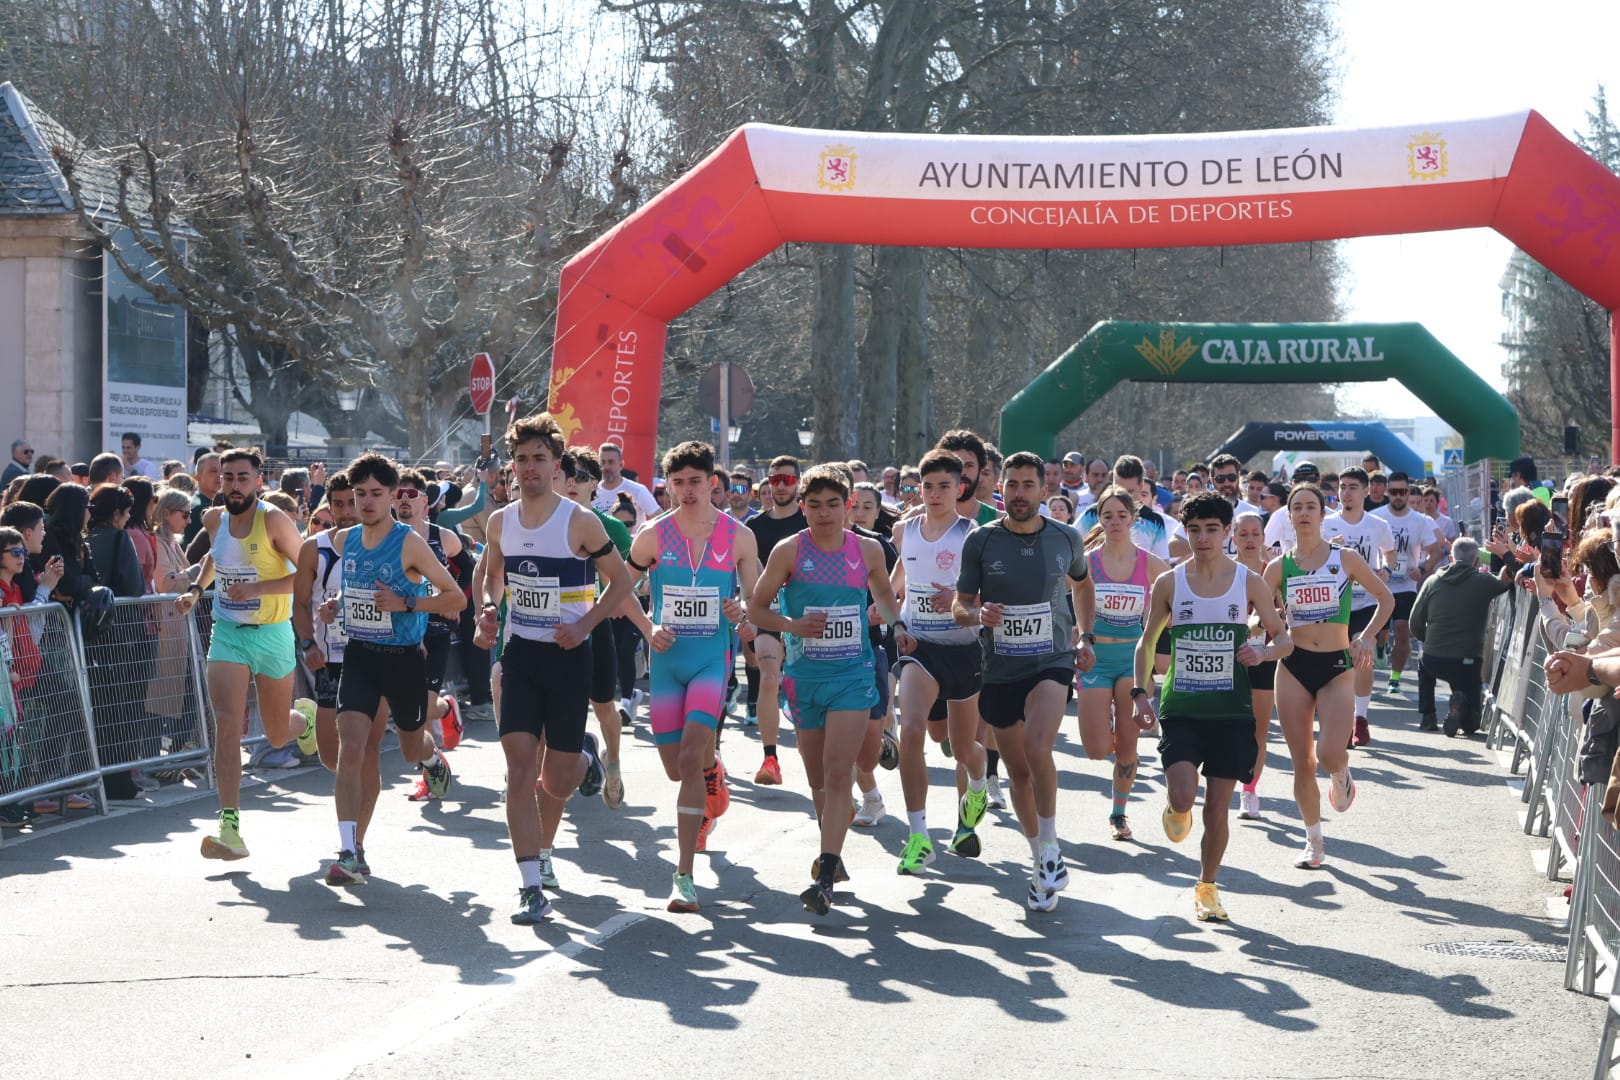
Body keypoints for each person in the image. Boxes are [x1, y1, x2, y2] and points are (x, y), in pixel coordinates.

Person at [473, 413, 633, 924]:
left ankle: (585, 757)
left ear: (556, 465)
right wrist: (489, 608)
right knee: (520, 773)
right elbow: (492, 576)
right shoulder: (501, 522)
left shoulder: (579, 522)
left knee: (556, 782)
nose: (529, 467)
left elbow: (622, 582)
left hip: (568, 658)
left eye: (539, 458)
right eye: (521, 459)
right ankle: (530, 885)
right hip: (521, 656)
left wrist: (584, 625)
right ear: (511, 466)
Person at [749, 464, 908, 916]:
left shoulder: (868, 549)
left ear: (848, 506)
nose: (824, 513)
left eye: (833, 504)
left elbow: (884, 594)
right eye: (815, 505)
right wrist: (792, 626)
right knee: (819, 779)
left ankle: (824, 875)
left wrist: (897, 625)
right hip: (805, 679)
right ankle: (831, 852)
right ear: (802, 507)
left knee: (840, 773)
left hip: (853, 674)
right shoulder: (788, 551)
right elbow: (757, 609)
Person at [1133, 492, 1292, 921]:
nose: (1202, 538)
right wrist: (1140, 694)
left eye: (1211, 530)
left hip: (1231, 711)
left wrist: (1263, 652)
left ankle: (1207, 886)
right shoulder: (1170, 582)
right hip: (1183, 707)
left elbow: (1284, 638)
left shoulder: (1248, 581)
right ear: (1186, 532)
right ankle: (1176, 805)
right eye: (1194, 530)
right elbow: (1146, 642)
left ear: (1226, 534)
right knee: (1184, 796)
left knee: (1217, 807)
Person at [954, 451, 1096, 912]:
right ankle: (1040, 863)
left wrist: (1085, 635)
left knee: (1038, 749)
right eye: (1011, 485)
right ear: (1002, 489)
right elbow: (960, 604)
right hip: (1000, 668)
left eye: (1028, 485)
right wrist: (977, 614)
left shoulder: (1065, 537)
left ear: (1043, 489)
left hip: (1051, 660)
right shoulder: (981, 541)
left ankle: (1051, 846)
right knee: (1017, 771)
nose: (1019, 494)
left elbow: (1083, 584)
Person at [318, 454, 467, 886]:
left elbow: (455, 597)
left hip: (403, 659)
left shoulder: (409, 543)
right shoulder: (345, 540)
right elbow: (357, 591)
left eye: (375, 494)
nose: (366, 502)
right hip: (360, 655)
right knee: (351, 749)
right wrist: (337, 606)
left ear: (390, 496)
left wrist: (407, 603)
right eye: (359, 494)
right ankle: (349, 851)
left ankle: (431, 758)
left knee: (409, 749)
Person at [624, 440, 761, 912]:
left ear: (712, 483)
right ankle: (713, 771)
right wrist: (648, 627)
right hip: (666, 660)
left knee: (686, 758)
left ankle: (683, 875)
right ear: (667, 485)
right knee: (675, 767)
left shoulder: (739, 536)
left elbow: (756, 600)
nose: (687, 490)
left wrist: (743, 614)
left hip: (710, 661)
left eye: (695, 482)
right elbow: (619, 589)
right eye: (678, 482)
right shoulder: (652, 535)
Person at [175, 449, 318, 860]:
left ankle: (303, 718)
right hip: (228, 634)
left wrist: (258, 589)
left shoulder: (273, 520)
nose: (234, 485)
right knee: (227, 725)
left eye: (242, 478)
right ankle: (229, 827)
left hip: (272, 635)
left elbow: (306, 573)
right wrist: (196, 590)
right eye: (227, 477)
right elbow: (214, 558)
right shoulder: (214, 519)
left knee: (276, 734)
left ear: (258, 481)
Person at [1264, 482, 1391, 870]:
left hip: (1336, 666)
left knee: (1329, 754)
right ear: (1289, 516)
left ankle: (1341, 773)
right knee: (1302, 762)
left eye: (1311, 507)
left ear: (1323, 514)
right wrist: (1262, 630)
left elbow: (1386, 599)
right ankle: (1314, 841)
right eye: (1297, 507)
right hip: (1293, 666)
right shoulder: (1277, 567)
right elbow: (1257, 613)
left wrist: (1365, 637)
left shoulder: (1345, 558)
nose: (1304, 513)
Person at [889, 450, 987, 874]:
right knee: (912, 731)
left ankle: (979, 785)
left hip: (963, 649)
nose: (933, 494)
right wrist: (890, 615)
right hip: (920, 646)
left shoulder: (973, 534)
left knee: (963, 749)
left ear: (959, 488)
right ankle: (919, 836)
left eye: (943, 486)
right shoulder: (906, 531)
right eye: (927, 486)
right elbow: (896, 582)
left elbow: (991, 596)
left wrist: (961, 601)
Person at [1078, 485, 1169, 840]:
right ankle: (1115, 737)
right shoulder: (1087, 563)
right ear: (1099, 519)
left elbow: (1178, 599)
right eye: (1108, 515)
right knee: (1097, 748)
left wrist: (1161, 640)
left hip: (1133, 660)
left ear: (1133, 519)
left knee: (1128, 748)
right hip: (1097, 659)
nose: (1115, 521)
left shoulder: (1150, 563)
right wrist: (1076, 636)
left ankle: (1119, 814)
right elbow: (1062, 598)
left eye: (1121, 515)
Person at [292, 474, 373, 859]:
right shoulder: (315, 548)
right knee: (332, 758)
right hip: (328, 662)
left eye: (351, 503)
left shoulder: (385, 544)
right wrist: (308, 642)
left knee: (362, 755)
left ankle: (354, 845)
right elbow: (299, 604)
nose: (345, 512)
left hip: (373, 660)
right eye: (338, 504)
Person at [566, 446, 633, 809]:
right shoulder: (547, 522)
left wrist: (616, 603)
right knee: (564, 706)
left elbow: (627, 580)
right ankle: (579, 754)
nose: (572, 483)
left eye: (581, 476)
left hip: (597, 628)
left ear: (594, 484)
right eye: (567, 475)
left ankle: (614, 764)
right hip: (555, 631)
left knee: (604, 707)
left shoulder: (612, 529)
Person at [392, 468, 468, 785]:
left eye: (411, 494)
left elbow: (470, 571)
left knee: (420, 707)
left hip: (435, 629)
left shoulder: (442, 537)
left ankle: (429, 775)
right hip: (399, 631)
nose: (404, 499)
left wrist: (454, 601)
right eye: (398, 494)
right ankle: (446, 709)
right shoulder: (385, 538)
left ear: (425, 501)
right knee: (408, 707)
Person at [743, 455, 808, 783]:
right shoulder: (753, 528)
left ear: (798, 483)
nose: (780, 486)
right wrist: (747, 614)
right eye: (774, 480)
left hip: (808, 617)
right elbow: (747, 579)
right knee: (769, 677)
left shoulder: (811, 523)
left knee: (804, 686)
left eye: (787, 480)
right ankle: (770, 759)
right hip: (768, 613)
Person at [1321, 468, 1397, 747]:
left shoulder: (1378, 525)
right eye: (1342, 487)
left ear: (1366, 491)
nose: (1346, 492)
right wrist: (1327, 548)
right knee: (1336, 664)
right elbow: (1310, 555)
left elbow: (1390, 553)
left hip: (1366, 602)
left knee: (1362, 651)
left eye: (1353, 487)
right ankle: (1338, 719)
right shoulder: (1326, 524)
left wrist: (1387, 569)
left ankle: (1360, 718)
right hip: (1333, 603)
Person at [1409, 537, 1513, 736]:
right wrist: (1503, 572)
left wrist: (1428, 640)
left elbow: (1414, 623)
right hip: (1468, 661)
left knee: (1424, 665)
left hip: (1434, 658)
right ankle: (1462, 705)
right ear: (1477, 561)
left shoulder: (1432, 581)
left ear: (1451, 558)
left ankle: (1428, 716)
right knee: (1472, 724)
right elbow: (1505, 584)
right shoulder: (1484, 582)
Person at [1371, 471, 1447, 696]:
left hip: (1405, 585)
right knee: (1379, 633)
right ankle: (1381, 644)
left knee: (1403, 630)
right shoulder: (1375, 517)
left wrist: (1422, 568)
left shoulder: (1420, 521)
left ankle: (1395, 679)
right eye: (1393, 491)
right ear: (1387, 492)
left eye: (1402, 491)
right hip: (1379, 584)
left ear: (1408, 492)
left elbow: (1436, 550)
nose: (1398, 496)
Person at [1231, 512, 1277, 820]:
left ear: (1263, 538)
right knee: (1225, 726)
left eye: (1255, 534)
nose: (1250, 540)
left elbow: (1287, 615)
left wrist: (1273, 617)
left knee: (1259, 729)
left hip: (1262, 657)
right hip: (1226, 657)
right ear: (1233, 537)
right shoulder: (1223, 571)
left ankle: (1249, 790)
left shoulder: (1272, 572)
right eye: (1243, 534)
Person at [935, 430, 1002, 526]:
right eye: (956, 464)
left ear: (980, 469)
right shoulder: (919, 520)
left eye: (969, 465)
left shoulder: (1000, 521)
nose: (963, 473)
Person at [592, 443, 660, 525]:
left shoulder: (637, 490)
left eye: (611, 462)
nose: (606, 467)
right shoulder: (592, 492)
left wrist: (645, 532)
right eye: (603, 462)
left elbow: (661, 519)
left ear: (621, 465)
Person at [185, 453, 222, 548]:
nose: (219, 476)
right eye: (213, 471)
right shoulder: (196, 508)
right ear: (198, 477)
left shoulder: (221, 505)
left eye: (223, 471)